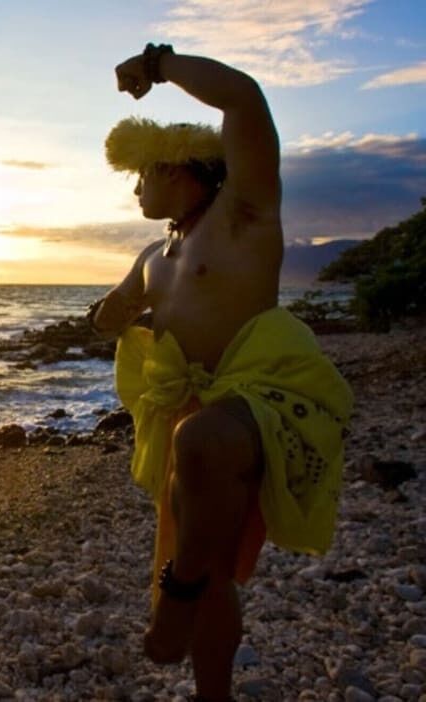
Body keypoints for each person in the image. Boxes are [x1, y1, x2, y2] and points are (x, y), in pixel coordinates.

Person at [87, 44, 354, 701]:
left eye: (141, 176)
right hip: (188, 412)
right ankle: (214, 692)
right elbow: (110, 316)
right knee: (214, 566)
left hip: (263, 393)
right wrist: (116, 314)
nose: (135, 188)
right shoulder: (155, 252)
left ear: (175, 169)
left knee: (202, 445)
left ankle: (172, 597)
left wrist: (159, 65)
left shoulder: (243, 214)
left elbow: (244, 100)